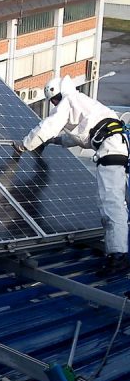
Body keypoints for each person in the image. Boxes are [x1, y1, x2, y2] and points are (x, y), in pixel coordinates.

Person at [13, 75, 129, 276]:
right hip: (119, 147)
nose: (55, 104)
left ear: (60, 94)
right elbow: (79, 137)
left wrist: (24, 145)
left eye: (55, 100)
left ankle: (118, 256)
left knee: (111, 205)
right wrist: (53, 141)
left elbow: (48, 126)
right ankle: (118, 251)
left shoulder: (68, 101)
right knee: (116, 203)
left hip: (110, 150)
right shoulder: (82, 102)